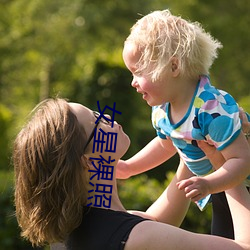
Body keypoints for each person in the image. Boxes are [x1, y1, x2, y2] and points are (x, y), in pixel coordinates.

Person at [13, 98, 250, 250]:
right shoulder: (137, 238)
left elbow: (155, 221)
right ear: (87, 161)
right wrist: (226, 166)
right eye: (97, 121)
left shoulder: (75, 233)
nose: (107, 117)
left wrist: (190, 138)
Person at [119, 9, 250, 238]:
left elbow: (242, 160)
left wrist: (209, 184)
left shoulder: (211, 109)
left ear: (173, 67)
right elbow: (166, 145)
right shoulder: (162, 110)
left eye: (138, 72)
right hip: (220, 188)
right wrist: (130, 167)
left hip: (239, 185)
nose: (133, 82)